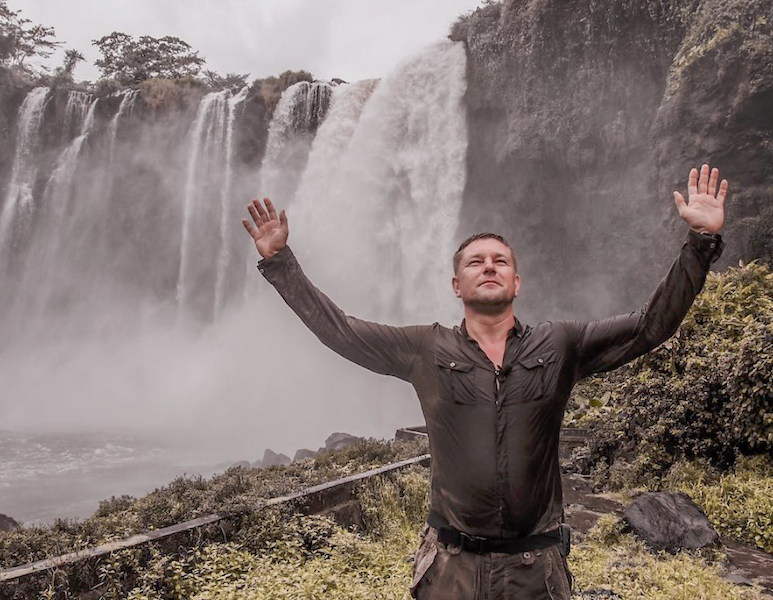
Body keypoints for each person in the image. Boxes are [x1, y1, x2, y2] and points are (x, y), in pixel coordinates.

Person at [242, 164, 727, 599]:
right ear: (457, 286)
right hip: (451, 570)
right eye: (475, 262)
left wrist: (700, 244)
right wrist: (281, 262)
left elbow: (650, 326)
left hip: (535, 570)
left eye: (500, 261)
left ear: (517, 283)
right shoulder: (425, 349)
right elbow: (341, 330)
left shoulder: (560, 344)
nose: (489, 266)